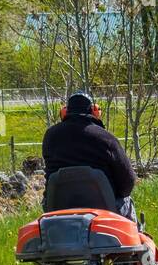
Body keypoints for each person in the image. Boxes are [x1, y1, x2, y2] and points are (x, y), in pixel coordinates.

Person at [41, 92, 138, 221]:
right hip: (105, 209)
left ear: (64, 112)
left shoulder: (50, 136)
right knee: (127, 201)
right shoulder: (106, 138)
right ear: (95, 111)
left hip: (57, 208)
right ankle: (135, 233)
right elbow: (128, 182)